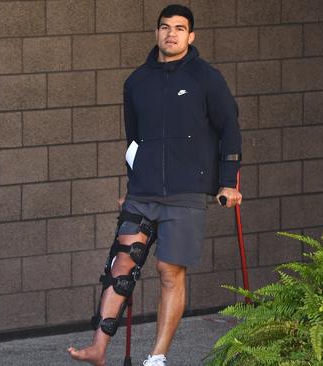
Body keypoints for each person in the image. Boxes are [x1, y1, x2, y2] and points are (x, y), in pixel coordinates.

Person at [68, 4, 242, 366]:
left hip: (186, 191)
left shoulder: (206, 78)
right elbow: (135, 141)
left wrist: (227, 183)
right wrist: (132, 184)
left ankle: (157, 357)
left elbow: (230, 130)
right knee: (121, 266)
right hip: (143, 191)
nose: (172, 34)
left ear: (191, 36)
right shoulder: (136, 82)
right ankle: (98, 348)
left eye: (180, 28)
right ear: (156, 32)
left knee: (168, 271)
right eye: (165, 27)